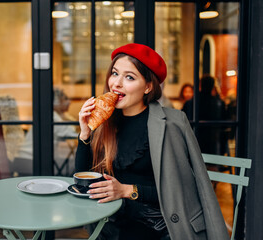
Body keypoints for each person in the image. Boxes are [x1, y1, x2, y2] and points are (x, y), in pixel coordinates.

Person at [75, 43, 229, 240]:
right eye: (115, 73)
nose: (116, 83)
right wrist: (85, 134)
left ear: (148, 86)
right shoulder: (105, 121)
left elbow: (182, 192)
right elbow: (83, 182)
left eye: (129, 77)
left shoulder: (172, 123)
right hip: (110, 226)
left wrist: (127, 190)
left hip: (158, 229)